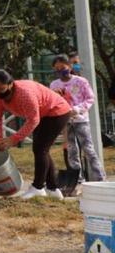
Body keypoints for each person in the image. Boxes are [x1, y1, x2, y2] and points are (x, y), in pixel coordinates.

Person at [0, 69, 72, 199]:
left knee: (40, 149)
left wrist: (14, 139)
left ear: (10, 84)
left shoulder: (24, 93)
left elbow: (33, 120)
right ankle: (53, 189)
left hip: (57, 111)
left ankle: (38, 187)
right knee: (42, 149)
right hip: (43, 114)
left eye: (1, 89)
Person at [50, 54, 106, 183]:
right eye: (57, 69)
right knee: (72, 150)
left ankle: (100, 178)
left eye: (62, 67)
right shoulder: (54, 84)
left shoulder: (81, 81)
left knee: (88, 149)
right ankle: (77, 179)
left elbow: (90, 98)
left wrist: (78, 109)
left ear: (69, 66)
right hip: (65, 121)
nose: (60, 71)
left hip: (81, 120)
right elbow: (53, 102)